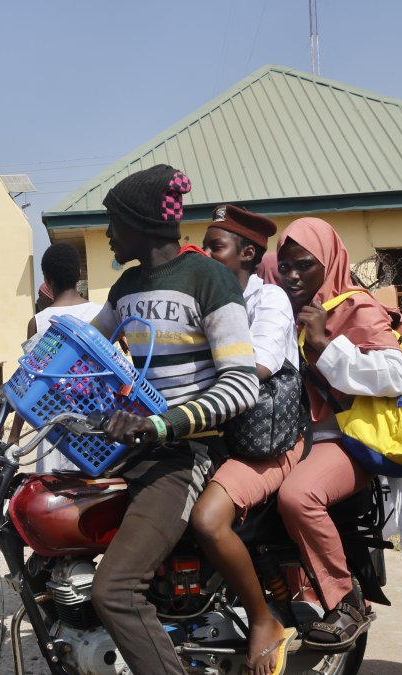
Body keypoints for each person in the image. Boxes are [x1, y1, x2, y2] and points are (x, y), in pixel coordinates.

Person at [88, 165, 260, 675]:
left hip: (185, 453)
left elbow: (241, 384)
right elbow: (87, 351)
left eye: (115, 222)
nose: (110, 233)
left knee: (115, 587)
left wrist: (163, 424)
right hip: (137, 445)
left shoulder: (207, 277)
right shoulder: (128, 285)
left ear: (143, 223)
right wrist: (16, 385)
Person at [272, 217, 402, 650]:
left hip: (347, 440)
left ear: (328, 262)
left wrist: (324, 345)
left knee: (299, 497)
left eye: (304, 266)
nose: (293, 276)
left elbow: (395, 374)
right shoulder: (283, 309)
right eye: (286, 265)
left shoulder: (357, 308)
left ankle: (346, 601)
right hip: (296, 438)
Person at [190, 204, 301, 675]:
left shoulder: (269, 301)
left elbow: (255, 367)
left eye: (217, 247)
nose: (207, 256)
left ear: (248, 253)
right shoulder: (207, 301)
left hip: (268, 442)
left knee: (208, 521)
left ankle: (263, 622)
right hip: (222, 438)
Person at [9, 243, 103, 471]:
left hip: (50, 425)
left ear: (47, 278)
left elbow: (28, 381)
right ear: (79, 273)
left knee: (50, 496)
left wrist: (14, 435)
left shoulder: (39, 321)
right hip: (96, 424)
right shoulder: (102, 314)